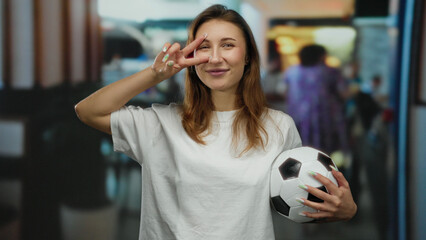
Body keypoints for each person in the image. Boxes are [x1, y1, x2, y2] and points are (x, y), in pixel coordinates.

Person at [75, 5, 357, 240]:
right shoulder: (159, 123)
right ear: (191, 57)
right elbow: (88, 111)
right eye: (204, 47)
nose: (214, 57)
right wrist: (155, 74)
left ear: (247, 57)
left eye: (228, 45)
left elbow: (294, 204)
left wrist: (342, 211)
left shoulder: (279, 126)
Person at [283, 44, 350, 156]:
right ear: (321, 56)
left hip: (297, 119)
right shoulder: (330, 72)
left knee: (299, 153)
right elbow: (344, 93)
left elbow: (285, 93)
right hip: (324, 120)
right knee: (323, 155)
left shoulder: (291, 72)